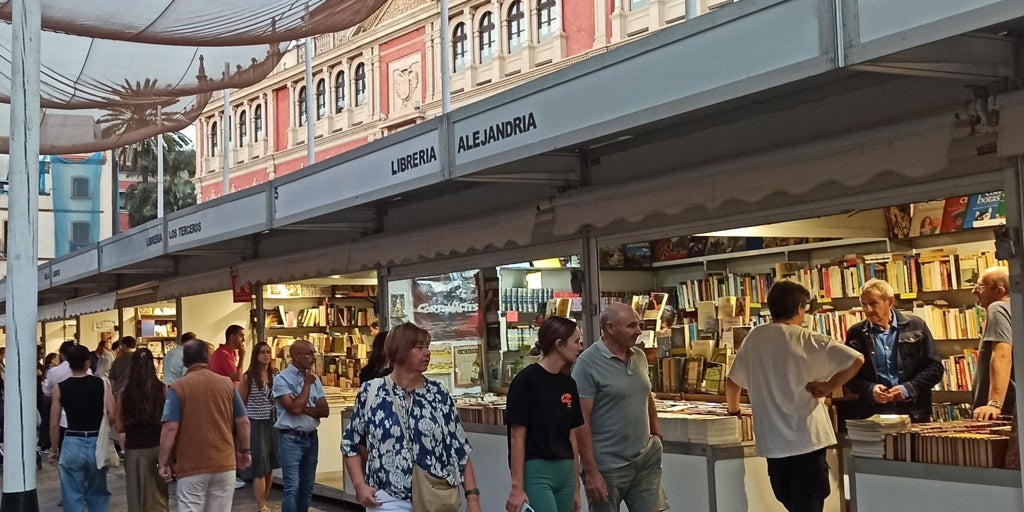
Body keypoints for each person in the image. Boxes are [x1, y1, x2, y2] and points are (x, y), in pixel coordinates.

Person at [725, 280, 864, 512]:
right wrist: (829, 386)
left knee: (787, 499)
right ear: (801, 307)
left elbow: (732, 383)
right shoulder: (807, 339)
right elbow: (856, 359)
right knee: (809, 503)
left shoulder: (754, 337)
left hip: (773, 442)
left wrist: (734, 411)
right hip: (808, 438)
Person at [342, 323, 481, 512]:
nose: (427, 353)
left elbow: (459, 449)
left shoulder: (437, 394)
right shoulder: (371, 392)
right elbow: (350, 444)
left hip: (436, 498)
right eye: (419, 347)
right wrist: (360, 487)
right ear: (400, 351)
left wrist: (472, 498)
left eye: (428, 347)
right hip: (387, 499)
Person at [571, 302, 667, 512]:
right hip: (607, 466)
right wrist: (591, 471)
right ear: (610, 328)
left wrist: (656, 434)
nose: (639, 331)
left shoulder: (639, 357)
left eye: (639, 325)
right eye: (631, 326)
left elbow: (646, 395)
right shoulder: (587, 364)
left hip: (644, 459)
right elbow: (580, 421)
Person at [158, 340, 252, 511]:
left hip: (191, 465)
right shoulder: (226, 384)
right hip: (224, 463)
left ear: (185, 361)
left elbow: (170, 428)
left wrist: (163, 462)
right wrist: (244, 450)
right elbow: (243, 421)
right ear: (208, 359)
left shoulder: (178, 387)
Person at [505, 316, 585, 512]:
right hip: (537, 468)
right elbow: (517, 435)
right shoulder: (526, 380)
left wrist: (576, 486)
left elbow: (572, 436)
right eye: (576, 341)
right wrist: (517, 486)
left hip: (565, 469)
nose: (580, 347)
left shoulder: (568, 383)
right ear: (559, 344)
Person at [845, 279, 944, 423]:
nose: (868, 310)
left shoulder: (916, 325)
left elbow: (935, 369)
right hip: (873, 413)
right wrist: (870, 389)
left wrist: (907, 389)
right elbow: (849, 376)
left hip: (914, 411)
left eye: (873, 303)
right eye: (863, 304)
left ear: (890, 302)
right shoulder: (856, 333)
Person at [47, 344, 116, 511]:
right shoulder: (102, 384)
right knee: (98, 492)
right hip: (95, 441)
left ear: (68, 362)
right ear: (88, 363)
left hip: (71, 441)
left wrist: (54, 449)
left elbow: (54, 423)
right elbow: (112, 413)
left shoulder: (60, 388)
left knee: (71, 494)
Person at [273, 339, 330, 512]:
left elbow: (324, 410)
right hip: (291, 438)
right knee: (292, 488)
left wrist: (301, 405)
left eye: (314, 352)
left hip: (311, 437)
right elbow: (295, 410)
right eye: (309, 353)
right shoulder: (282, 379)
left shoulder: (315, 379)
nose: (314, 357)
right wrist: (306, 385)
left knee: (307, 488)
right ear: (296, 356)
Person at [115, 348, 169, 511]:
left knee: (136, 497)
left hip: (134, 451)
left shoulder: (124, 393)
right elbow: (168, 422)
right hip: (158, 448)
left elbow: (119, 426)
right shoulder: (163, 389)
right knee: (158, 496)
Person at [240, 342, 280, 512]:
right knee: (259, 464)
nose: (266, 355)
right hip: (255, 422)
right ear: (256, 355)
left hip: (272, 421)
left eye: (268, 352)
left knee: (270, 463)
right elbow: (242, 401)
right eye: (262, 352)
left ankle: (264, 500)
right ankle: (261, 505)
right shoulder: (248, 377)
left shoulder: (275, 376)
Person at [972, 266, 1016, 420]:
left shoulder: (998, 308)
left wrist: (994, 403)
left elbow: (1003, 355)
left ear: (999, 291)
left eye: (980, 287)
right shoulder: (1016, 310)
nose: (974, 292)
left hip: (1003, 412)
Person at [43, 341, 86, 453]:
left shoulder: (54, 372)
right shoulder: (90, 373)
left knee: (66, 456)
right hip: (86, 422)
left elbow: (46, 393)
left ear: (62, 355)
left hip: (63, 418)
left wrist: (53, 447)